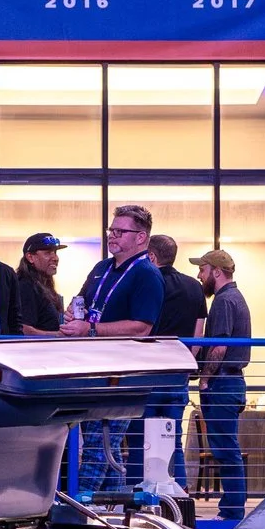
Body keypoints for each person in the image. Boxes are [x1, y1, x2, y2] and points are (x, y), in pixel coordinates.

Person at [66, 206, 167, 490]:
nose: (113, 236)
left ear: (141, 237)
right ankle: (112, 513)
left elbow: (142, 327)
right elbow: (82, 300)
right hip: (94, 371)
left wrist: (92, 329)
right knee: (106, 452)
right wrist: (73, 315)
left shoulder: (147, 275)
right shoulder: (101, 268)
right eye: (112, 230)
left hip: (123, 375)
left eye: (120, 231)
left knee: (99, 447)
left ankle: (78, 511)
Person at [195, 248, 251, 520]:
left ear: (216, 272)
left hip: (222, 383)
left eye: (202, 270)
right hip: (231, 382)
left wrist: (204, 379)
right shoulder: (234, 298)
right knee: (227, 449)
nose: (199, 275)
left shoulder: (223, 301)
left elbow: (218, 346)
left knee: (226, 451)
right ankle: (232, 509)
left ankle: (231, 512)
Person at [150, 235, 206, 340]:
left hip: (149, 353)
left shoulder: (147, 284)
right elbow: (198, 334)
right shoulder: (195, 286)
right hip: (183, 353)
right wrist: (189, 356)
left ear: (151, 257)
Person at [16, 232, 67, 334]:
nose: (55, 258)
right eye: (47, 253)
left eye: (55, 252)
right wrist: (58, 336)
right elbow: (24, 329)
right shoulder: (26, 286)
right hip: (35, 349)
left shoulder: (44, 286)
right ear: (30, 257)